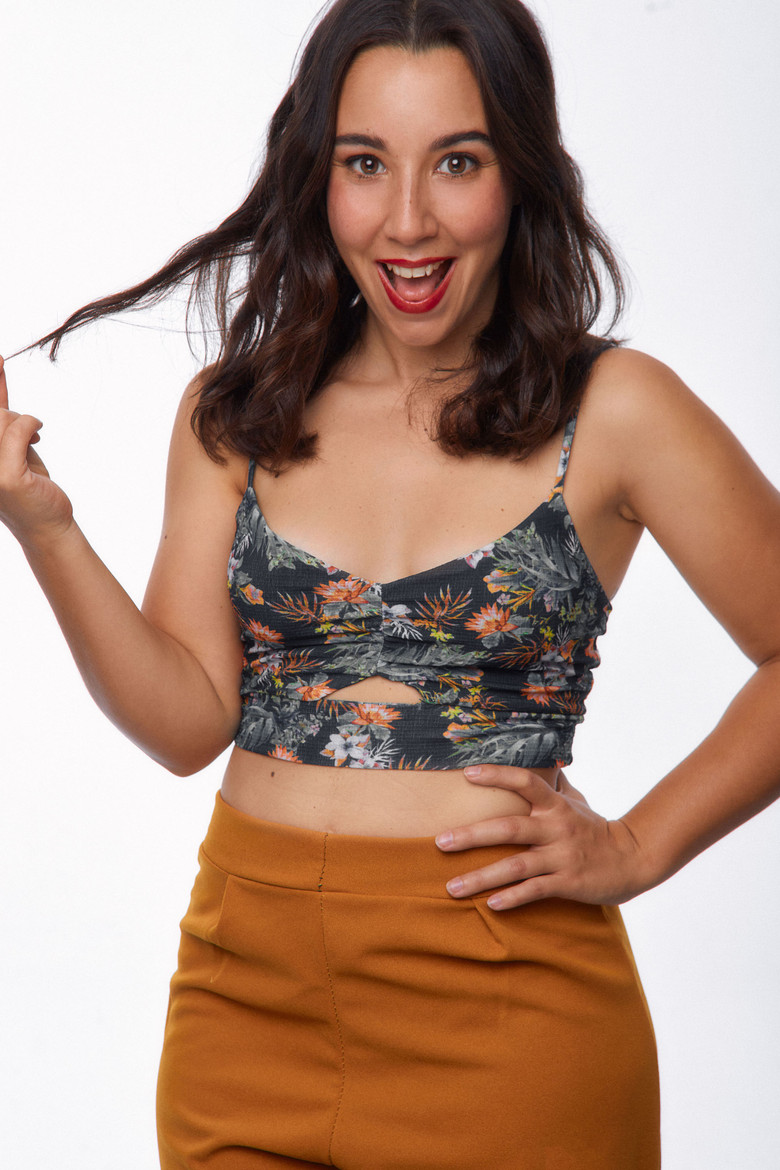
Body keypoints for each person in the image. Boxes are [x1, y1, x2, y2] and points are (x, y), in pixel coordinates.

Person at [1, 0, 778, 1166]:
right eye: (365, 163)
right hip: (243, 1000)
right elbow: (186, 723)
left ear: (519, 174)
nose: (408, 220)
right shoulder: (239, 411)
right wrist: (41, 525)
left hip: (509, 1013)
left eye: (456, 162)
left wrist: (638, 846)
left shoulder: (615, 410)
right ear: (319, 177)